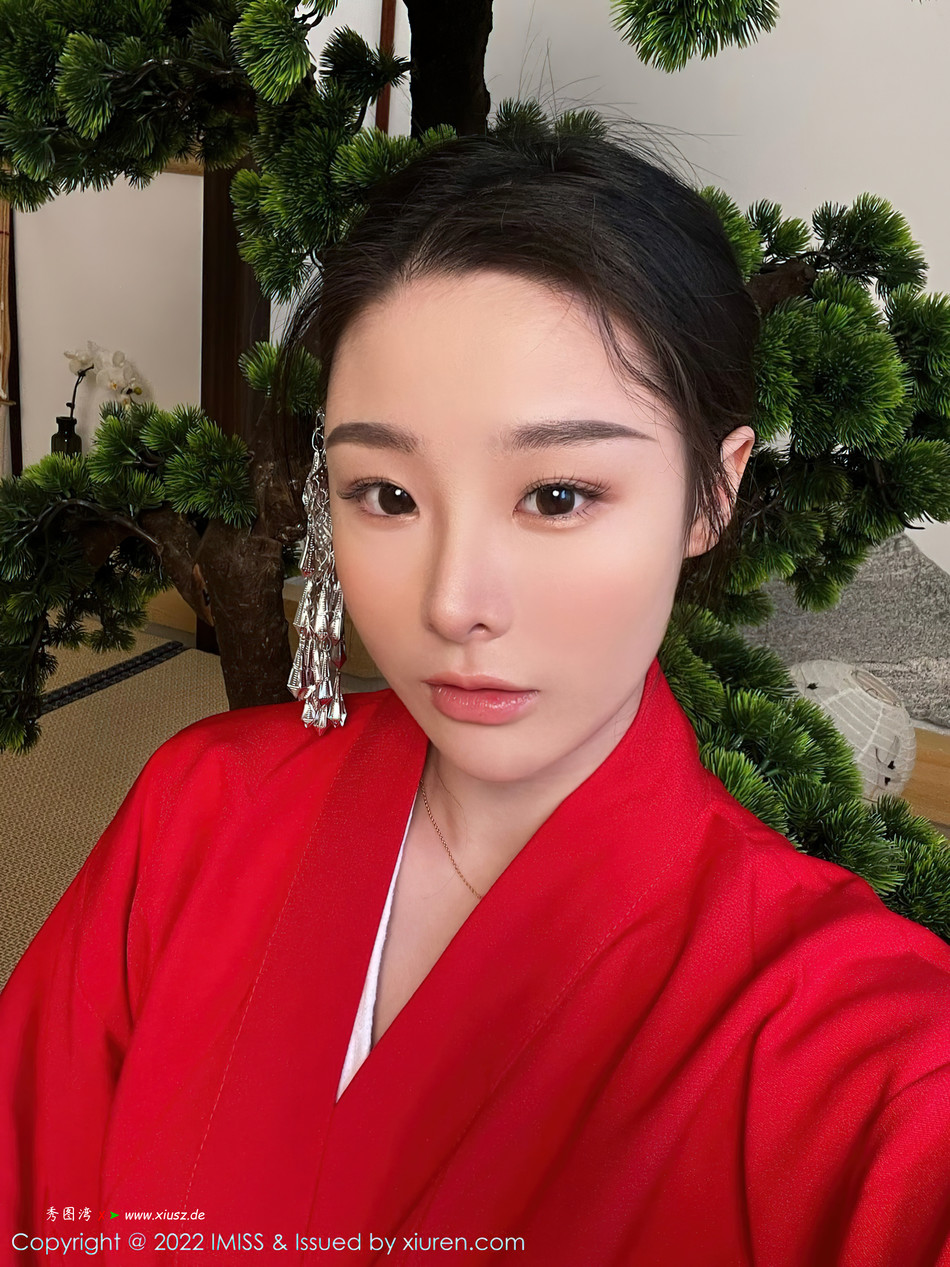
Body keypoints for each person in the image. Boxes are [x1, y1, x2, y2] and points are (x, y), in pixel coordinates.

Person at [2, 130, 950, 1267]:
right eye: (386, 494)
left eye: (557, 494)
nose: (453, 603)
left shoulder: (858, 1048)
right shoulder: (198, 808)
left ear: (714, 488)